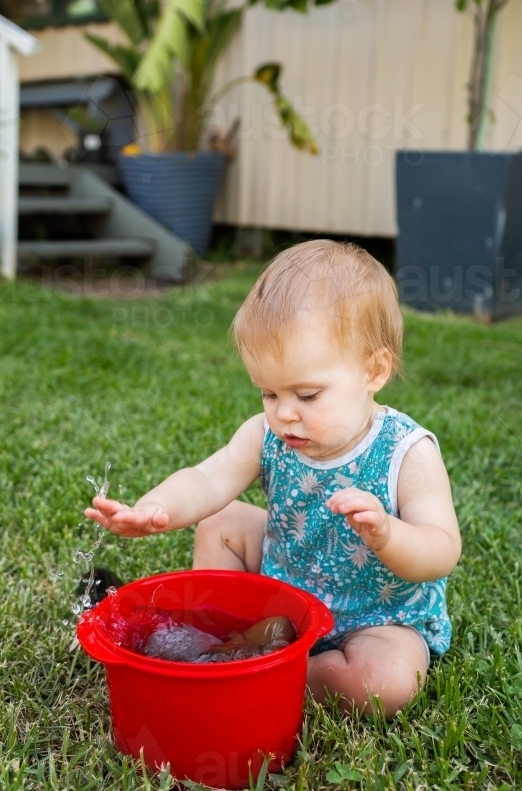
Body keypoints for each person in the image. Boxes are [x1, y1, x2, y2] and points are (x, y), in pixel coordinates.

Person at [85, 240, 461, 717]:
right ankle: (225, 638)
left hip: (376, 619)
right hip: (282, 595)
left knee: (384, 683)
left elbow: (441, 550)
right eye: (268, 392)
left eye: (307, 394)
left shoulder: (407, 453)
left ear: (374, 370)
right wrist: (155, 508)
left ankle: (261, 667)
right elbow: (207, 479)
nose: (284, 413)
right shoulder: (267, 434)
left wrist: (388, 534)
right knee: (219, 521)